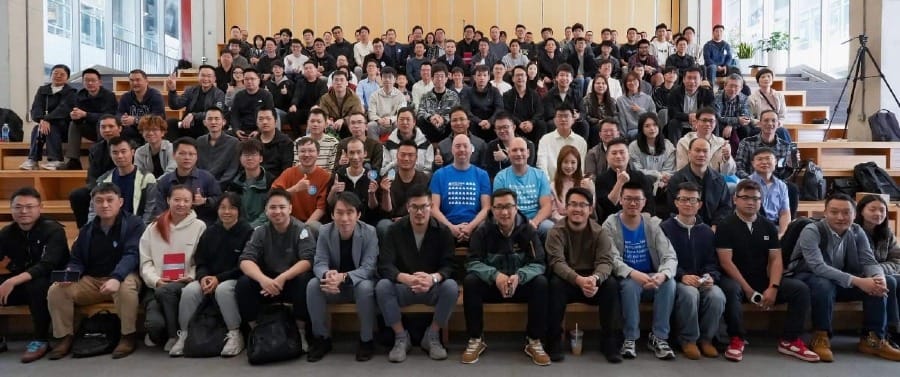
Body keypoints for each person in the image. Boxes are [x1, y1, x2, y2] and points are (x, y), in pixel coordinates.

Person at [717, 180, 820, 362]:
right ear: (735, 199)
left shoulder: (767, 226)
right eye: (745, 198)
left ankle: (790, 340)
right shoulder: (725, 225)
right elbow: (726, 262)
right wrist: (748, 290)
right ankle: (737, 338)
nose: (751, 202)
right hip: (735, 279)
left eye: (756, 199)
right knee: (731, 290)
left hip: (762, 279)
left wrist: (773, 286)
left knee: (800, 289)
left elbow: (775, 259)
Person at [789, 194, 900, 362]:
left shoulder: (856, 230)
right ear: (825, 212)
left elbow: (868, 260)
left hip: (840, 279)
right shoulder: (812, 230)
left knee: (886, 281)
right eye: (834, 212)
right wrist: (858, 281)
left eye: (846, 212)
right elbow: (818, 267)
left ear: (855, 214)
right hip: (808, 276)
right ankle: (821, 336)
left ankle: (873, 338)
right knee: (823, 284)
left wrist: (878, 277)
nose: (841, 217)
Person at [47, 183, 145, 360]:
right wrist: (70, 272)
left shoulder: (134, 224)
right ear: (93, 204)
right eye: (99, 201)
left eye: (110, 200)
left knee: (125, 288)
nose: (105, 205)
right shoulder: (87, 229)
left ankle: (127, 336)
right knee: (57, 290)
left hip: (123, 276)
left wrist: (116, 277)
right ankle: (65, 337)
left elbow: (132, 254)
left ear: (120, 202)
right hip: (93, 280)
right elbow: (76, 260)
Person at [462, 189, 551, 366]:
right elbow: (472, 263)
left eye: (509, 206)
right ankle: (475, 339)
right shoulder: (482, 231)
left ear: (516, 208)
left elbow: (540, 263)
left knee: (541, 283)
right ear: (492, 210)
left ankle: (534, 340)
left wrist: (520, 276)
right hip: (493, 286)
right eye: (499, 207)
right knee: (470, 282)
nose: (504, 212)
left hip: (520, 285)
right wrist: (495, 276)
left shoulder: (528, 231)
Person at [376, 185, 457, 362]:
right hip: (404, 288)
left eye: (424, 207)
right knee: (382, 286)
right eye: (415, 207)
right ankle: (400, 337)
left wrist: (433, 278)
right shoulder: (394, 230)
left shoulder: (443, 231)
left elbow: (449, 265)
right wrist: (404, 278)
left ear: (431, 207)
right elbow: (385, 265)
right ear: (408, 207)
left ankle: (433, 336)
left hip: (431, 289)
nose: (420, 212)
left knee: (451, 287)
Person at [236, 189, 317, 357]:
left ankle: (301, 333)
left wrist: (283, 277)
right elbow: (245, 260)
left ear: (290, 209)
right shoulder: (260, 232)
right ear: (266, 210)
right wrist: (263, 279)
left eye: (282, 207)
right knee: (243, 283)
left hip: (291, 280)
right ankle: (256, 333)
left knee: (305, 280)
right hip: (267, 283)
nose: (277, 211)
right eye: (273, 207)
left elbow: (308, 260)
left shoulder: (301, 229)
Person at [545, 187, 622, 363]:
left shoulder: (600, 232)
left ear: (590, 209)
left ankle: (610, 342)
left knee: (610, 285)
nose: (577, 209)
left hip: (592, 280)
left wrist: (594, 279)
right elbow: (557, 262)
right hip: (569, 280)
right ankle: (554, 341)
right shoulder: (556, 231)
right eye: (573, 204)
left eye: (582, 205)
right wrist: (579, 280)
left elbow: (605, 262)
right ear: (565, 207)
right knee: (554, 284)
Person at [604, 181, 677, 360]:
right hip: (627, 276)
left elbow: (669, 255)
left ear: (644, 202)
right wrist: (633, 273)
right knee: (630, 286)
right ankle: (630, 338)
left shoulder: (652, 224)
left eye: (637, 199)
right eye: (628, 198)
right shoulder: (610, 224)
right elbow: (611, 258)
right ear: (620, 200)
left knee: (670, 283)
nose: (633, 203)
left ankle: (659, 337)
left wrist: (663, 274)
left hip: (651, 276)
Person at [307, 192, 379, 362]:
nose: (344, 218)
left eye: (350, 212)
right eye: (339, 213)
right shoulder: (325, 231)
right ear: (332, 215)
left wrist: (344, 277)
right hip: (334, 286)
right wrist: (327, 275)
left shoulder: (369, 232)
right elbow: (319, 262)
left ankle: (366, 340)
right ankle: (322, 339)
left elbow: (369, 268)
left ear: (358, 214)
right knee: (313, 285)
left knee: (366, 287)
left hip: (358, 286)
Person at [0, 188, 70, 363]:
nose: (23, 211)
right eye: (18, 207)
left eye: (29, 206)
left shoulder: (53, 230)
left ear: (40, 207)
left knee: (36, 286)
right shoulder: (7, 233)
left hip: (55, 280)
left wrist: (13, 280)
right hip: (22, 279)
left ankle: (40, 339)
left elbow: (47, 265)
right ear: (11, 209)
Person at [660, 182, 725, 360]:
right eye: (683, 199)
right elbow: (662, 260)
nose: (688, 203)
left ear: (700, 204)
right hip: (678, 279)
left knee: (717, 295)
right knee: (689, 294)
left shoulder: (706, 232)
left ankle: (706, 339)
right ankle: (688, 339)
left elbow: (713, 262)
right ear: (676, 203)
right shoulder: (665, 228)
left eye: (693, 200)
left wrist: (710, 276)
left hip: (702, 279)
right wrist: (682, 275)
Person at [139, 185, 206, 354]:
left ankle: (173, 335)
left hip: (183, 283)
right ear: (168, 200)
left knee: (166, 293)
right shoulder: (153, 227)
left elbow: (201, 260)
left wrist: (190, 276)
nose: (181, 204)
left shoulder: (200, 227)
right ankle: (163, 331)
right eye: (176, 199)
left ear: (192, 203)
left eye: (186, 200)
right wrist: (156, 280)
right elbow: (145, 262)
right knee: (154, 326)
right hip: (156, 286)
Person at [429, 134, 492, 244]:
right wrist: (451, 228)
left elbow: (486, 208)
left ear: (471, 149)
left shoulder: (482, 175)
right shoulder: (439, 175)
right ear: (452, 150)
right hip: (446, 226)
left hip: (475, 227)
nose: (462, 149)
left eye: (465, 146)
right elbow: (434, 209)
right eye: (458, 146)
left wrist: (470, 227)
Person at [85, 136, 158, 225]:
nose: (119, 156)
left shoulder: (147, 179)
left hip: (137, 229)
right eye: (115, 152)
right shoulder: (103, 180)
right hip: (110, 229)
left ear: (132, 152)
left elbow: (151, 211)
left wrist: (140, 230)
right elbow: (94, 211)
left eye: (123, 152)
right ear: (110, 155)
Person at [856, 194, 900, 341]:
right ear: (861, 211)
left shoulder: (887, 234)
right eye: (872, 209)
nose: (878, 214)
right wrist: (876, 272)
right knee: (890, 281)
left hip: (879, 274)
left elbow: (897, 261)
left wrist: (877, 269)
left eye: (882, 210)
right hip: (859, 276)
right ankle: (891, 331)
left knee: (894, 279)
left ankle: (895, 327)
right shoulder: (853, 232)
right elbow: (857, 264)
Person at [493, 137, 555, 239]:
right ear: (508, 153)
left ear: (528, 153)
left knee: (549, 228)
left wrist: (534, 223)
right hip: (510, 221)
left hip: (536, 222)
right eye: (514, 150)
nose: (518, 153)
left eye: (522, 150)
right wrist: (521, 223)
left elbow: (547, 207)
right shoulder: (501, 177)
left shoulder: (540, 175)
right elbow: (500, 208)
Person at [67, 115, 122, 228]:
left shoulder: (128, 146)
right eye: (103, 127)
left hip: (121, 185)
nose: (107, 130)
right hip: (99, 186)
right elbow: (92, 176)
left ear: (120, 128)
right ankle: (85, 230)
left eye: (111, 126)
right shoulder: (95, 149)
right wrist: (96, 190)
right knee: (78, 195)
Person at [153, 137, 222, 224]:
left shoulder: (207, 178)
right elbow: (159, 208)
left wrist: (205, 201)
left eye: (191, 154)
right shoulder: (164, 181)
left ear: (197, 156)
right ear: (174, 155)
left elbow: (219, 201)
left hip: (202, 227)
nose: (187, 157)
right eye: (182, 153)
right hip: (172, 226)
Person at [21, 64, 76, 170]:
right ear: (50, 75)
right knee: (37, 128)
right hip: (44, 125)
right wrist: (41, 120)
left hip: (64, 127)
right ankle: (33, 160)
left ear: (67, 78)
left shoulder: (71, 92)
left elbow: (63, 109)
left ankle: (56, 160)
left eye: (62, 74)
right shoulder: (42, 90)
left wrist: (46, 119)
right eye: (55, 73)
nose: (58, 76)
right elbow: (36, 108)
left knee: (52, 127)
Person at [668, 138, 733, 226]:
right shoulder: (676, 180)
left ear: (710, 154)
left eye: (705, 151)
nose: (701, 154)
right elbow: (673, 210)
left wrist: (716, 225)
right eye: (697, 150)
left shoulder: (719, 179)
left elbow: (725, 207)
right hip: (686, 227)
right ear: (689, 153)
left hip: (714, 229)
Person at [64, 68, 118, 170]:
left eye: (93, 80)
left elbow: (109, 116)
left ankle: (100, 158)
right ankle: (73, 160)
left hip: (106, 129)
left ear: (100, 82)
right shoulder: (79, 95)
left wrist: (85, 114)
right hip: (89, 129)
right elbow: (79, 118)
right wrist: (75, 116)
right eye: (86, 80)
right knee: (73, 124)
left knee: (102, 123)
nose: (90, 83)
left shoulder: (109, 96)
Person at [594, 138, 656, 222]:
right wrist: (620, 183)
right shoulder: (601, 179)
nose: (618, 156)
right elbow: (606, 207)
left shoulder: (640, 177)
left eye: (622, 152)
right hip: (612, 225)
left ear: (628, 155)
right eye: (614, 153)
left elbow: (649, 206)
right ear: (607, 157)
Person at [328, 137, 381, 225]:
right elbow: (329, 202)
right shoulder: (339, 174)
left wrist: (372, 194)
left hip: (367, 223)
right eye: (351, 153)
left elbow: (373, 207)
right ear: (347, 154)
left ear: (365, 154)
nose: (355, 157)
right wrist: (333, 190)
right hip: (343, 222)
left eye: (359, 152)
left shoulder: (372, 176)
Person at [165, 65, 226, 140]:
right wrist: (172, 90)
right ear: (198, 77)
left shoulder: (219, 94)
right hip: (186, 124)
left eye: (209, 76)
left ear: (214, 79)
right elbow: (175, 105)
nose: (205, 79)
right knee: (171, 123)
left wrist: (194, 115)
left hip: (205, 126)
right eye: (203, 75)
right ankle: (173, 149)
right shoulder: (191, 90)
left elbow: (216, 112)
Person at [224, 139, 274, 227]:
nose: (249, 158)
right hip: (239, 228)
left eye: (254, 154)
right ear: (240, 159)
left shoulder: (271, 181)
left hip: (265, 228)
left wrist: (251, 227)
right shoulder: (234, 183)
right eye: (246, 155)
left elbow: (271, 209)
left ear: (261, 158)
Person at [675, 107, 735, 175]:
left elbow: (728, 173)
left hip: (715, 181)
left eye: (711, 121)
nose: (707, 124)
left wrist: (727, 158)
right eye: (704, 120)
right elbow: (681, 170)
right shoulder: (684, 142)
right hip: (691, 182)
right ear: (696, 122)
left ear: (715, 123)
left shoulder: (722, 143)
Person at [537, 104, 588, 182]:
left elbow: (581, 168)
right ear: (554, 120)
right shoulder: (545, 140)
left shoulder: (581, 141)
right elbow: (541, 165)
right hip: (550, 185)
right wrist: (548, 186)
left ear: (573, 120)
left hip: (573, 186)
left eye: (566, 116)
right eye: (560, 116)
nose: (563, 119)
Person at [747, 147, 792, 235]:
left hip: (775, 227)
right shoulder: (746, 183)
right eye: (759, 159)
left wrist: (782, 235)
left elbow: (784, 213)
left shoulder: (781, 186)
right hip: (752, 227)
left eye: (768, 158)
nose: (764, 162)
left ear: (775, 162)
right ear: (753, 163)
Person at [665, 67, 714, 144]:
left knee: (713, 122)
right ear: (684, 79)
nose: (692, 81)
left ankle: (711, 147)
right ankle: (675, 151)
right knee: (673, 123)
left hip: (700, 124)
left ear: (701, 79)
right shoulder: (674, 93)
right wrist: (688, 117)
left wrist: (698, 119)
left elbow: (710, 112)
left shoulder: (707, 94)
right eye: (689, 78)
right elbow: (672, 113)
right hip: (681, 125)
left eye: (695, 78)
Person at [629, 113, 676, 192]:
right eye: (647, 126)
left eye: (655, 125)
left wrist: (663, 179)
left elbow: (669, 169)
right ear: (641, 129)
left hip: (664, 184)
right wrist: (658, 175)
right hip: (642, 183)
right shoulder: (634, 146)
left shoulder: (668, 145)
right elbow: (637, 170)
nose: (652, 128)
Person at [117, 69, 166, 143]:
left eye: (138, 80)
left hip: (150, 128)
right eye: (131, 80)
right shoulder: (125, 97)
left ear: (146, 81)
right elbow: (119, 114)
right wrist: (123, 118)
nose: (134, 83)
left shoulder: (156, 96)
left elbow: (158, 116)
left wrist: (135, 120)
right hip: (132, 130)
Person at [381, 107, 434, 175]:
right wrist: (395, 163)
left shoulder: (426, 144)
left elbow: (428, 171)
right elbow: (383, 171)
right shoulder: (389, 144)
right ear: (397, 122)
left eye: (408, 119)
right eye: (401, 119)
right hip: (395, 181)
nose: (405, 122)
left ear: (414, 122)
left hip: (419, 182)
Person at [416, 63, 461, 144]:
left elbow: (456, 113)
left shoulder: (453, 96)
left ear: (446, 78)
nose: (439, 79)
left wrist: (443, 119)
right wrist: (431, 117)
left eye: (442, 76)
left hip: (447, 131)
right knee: (420, 121)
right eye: (436, 76)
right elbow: (420, 113)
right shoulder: (425, 96)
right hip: (430, 129)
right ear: (432, 78)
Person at [482, 112, 535, 179]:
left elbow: (525, 170)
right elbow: (489, 172)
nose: (502, 131)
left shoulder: (528, 145)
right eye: (498, 128)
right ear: (495, 130)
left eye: (505, 127)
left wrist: (506, 159)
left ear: (514, 127)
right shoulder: (492, 146)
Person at [196, 106, 240, 189]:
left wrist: (215, 187)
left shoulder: (234, 143)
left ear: (224, 122)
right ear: (204, 122)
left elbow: (232, 170)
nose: (213, 122)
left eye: (217, 119)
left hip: (224, 187)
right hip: (200, 186)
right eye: (210, 119)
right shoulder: (199, 141)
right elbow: (196, 167)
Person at [503, 65, 547, 146]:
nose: (520, 78)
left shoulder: (534, 94)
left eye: (522, 75)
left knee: (542, 125)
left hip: (531, 125)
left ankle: (538, 152)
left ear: (526, 77)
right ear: (513, 78)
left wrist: (531, 122)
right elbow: (507, 113)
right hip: (516, 125)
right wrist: (519, 123)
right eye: (517, 75)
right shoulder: (507, 95)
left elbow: (540, 111)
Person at [461, 64, 504, 143]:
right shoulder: (467, 92)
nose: (482, 78)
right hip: (474, 125)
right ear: (474, 77)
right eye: (479, 75)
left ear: (489, 77)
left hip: (492, 124)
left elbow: (499, 109)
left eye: (484, 75)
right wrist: (479, 121)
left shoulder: (494, 91)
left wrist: (490, 122)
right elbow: (466, 110)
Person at [747, 68, 792, 142]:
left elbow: (782, 114)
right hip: (760, 127)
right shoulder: (751, 98)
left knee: (782, 131)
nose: (766, 79)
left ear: (772, 79)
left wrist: (778, 123)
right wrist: (762, 124)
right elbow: (750, 117)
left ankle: (791, 152)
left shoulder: (779, 96)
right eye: (763, 77)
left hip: (775, 126)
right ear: (758, 81)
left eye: (768, 76)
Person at [318, 70, 364, 140]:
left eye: (342, 80)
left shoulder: (355, 98)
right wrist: (327, 120)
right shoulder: (325, 98)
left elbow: (358, 115)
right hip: (331, 126)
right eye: (336, 80)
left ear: (346, 83)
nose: (339, 83)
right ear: (332, 83)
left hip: (349, 126)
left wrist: (343, 120)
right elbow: (323, 113)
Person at [229, 69, 275, 139]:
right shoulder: (239, 95)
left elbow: (271, 116)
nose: (249, 81)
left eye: (252, 79)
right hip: (242, 129)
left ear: (258, 80)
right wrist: (236, 130)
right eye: (246, 79)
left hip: (260, 129)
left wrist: (258, 131)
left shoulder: (266, 95)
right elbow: (234, 115)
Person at [366, 67, 408, 142]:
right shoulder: (374, 95)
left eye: (390, 77)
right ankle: (378, 149)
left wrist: (390, 120)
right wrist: (379, 120)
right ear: (381, 79)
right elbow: (371, 114)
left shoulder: (400, 96)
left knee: (399, 124)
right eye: (385, 77)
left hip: (393, 123)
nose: (387, 79)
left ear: (395, 80)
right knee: (370, 126)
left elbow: (401, 113)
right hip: (379, 123)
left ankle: (396, 149)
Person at [288, 61, 329, 137]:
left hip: (316, 110)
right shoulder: (300, 82)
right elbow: (296, 96)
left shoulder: (322, 83)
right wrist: (293, 105)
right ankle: (298, 136)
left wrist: (317, 105)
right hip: (303, 110)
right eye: (306, 68)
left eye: (310, 68)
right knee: (291, 114)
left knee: (317, 114)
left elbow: (323, 97)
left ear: (316, 70)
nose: (308, 70)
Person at [715, 74, 753, 151]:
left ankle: (742, 152)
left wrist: (731, 125)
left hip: (736, 125)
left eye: (736, 86)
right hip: (720, 124)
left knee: (746, 129)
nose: (733, 89)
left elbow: (745, 118)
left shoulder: (744, 98)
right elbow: (718, 117)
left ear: (741, 88)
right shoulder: (717, 97)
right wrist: (737, 120)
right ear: (725, 86)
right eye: (731, 85)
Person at [255, 106, 294, 179]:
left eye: (268, 119)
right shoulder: (253, 143)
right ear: (256, 122)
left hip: (277, 184)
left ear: (275, 121)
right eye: (261, 119)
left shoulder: (286, 143)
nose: (265, 122)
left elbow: (286, 170)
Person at [616, 71, 657, 139]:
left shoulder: (647, 98)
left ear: (639, 82)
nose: (632, 83)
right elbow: (622, 119)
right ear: (625, 84)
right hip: (631, 130)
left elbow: (654, 117)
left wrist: (640, 110)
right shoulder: (621, 100)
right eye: (629, 81)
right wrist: (623, 136)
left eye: (634, 80)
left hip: (648, 128)